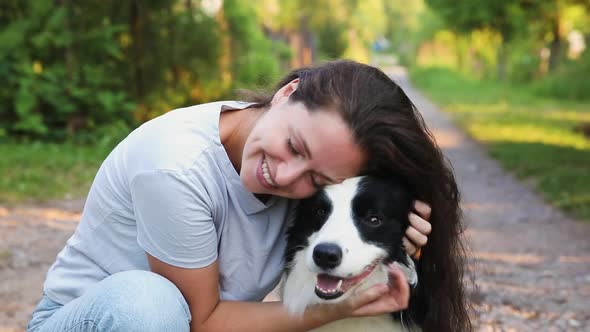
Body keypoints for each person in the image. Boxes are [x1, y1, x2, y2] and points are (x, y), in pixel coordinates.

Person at [27, 60, 469, 332]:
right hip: (96, 322)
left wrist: (399, 233)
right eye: (295, 147)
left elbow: (369, 207)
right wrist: (337, 310)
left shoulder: (305, 181)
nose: (285, 175)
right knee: (151, 303)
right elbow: (202, 323)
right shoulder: (175, 167)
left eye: (316, 179)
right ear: (286, 93)